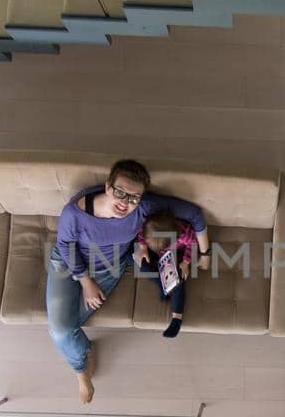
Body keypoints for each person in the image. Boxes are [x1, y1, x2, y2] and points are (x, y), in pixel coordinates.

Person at [45, 159, 211, 403]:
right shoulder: (75, 214)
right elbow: (65, 246)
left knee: (62, 329)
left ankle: (81, 363)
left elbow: (195, 214)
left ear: (141, 198)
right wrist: (85, 282)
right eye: (120, 192)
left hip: (110, 265)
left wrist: (204, 254)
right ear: (108, 186)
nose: (125, 202)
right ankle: (81, 370)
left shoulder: (144, 208)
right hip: (68, 264)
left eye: (134, 197)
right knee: (61, 330)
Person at [136, 210, 196, 339]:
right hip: (155, 255)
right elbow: (141, 235)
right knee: (141, 264)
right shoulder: (146, 228)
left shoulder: (184, 233)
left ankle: (176, 319)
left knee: (179, 279)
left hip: (176, 256)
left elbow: (193, 244)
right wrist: (143, 248)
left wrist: (185, 263)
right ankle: (162, 284)